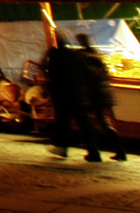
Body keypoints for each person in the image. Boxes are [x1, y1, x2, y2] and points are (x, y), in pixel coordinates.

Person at [44, 33, 99, 160]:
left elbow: (53, 74)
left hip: (65, 95)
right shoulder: (74, 55)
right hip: (79, 94)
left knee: (63, 122)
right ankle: (93, 150)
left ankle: (62, 147)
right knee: (84, 123)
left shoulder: (56, 55)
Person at [76, 33, 126, 162]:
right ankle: (112, 150)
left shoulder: (86, 58)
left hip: (95, 94)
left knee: (102, 122)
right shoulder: (97, 56)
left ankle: (118, 151)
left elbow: (90, 76)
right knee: (100, 122)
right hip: (103, 93)